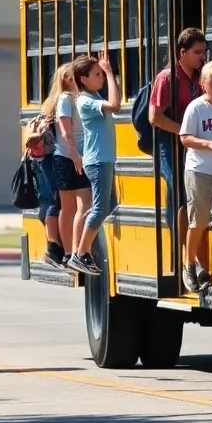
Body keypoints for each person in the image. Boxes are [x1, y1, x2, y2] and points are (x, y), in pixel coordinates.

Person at [149, 28, 207, 248]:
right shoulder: (167, 78)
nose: (202, 57)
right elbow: (155, 116)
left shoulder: (197, 76)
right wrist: (183, 130)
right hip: (170, 144)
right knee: (180, 192)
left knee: (193, 193)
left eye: (203, 52)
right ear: (182, 52)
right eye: (197, 52)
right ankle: (181, 249)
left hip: (191, 145)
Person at [68, 53, 121, 275]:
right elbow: (115, 105)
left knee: (105, 207)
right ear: (83, 79)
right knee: (100, 208)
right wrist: (110, 73)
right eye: (96, 75)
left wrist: (106, 73)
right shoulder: (85, 101)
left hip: (103, 158)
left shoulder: (94, 95)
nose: (101, 78)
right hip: (98, 160)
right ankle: (80, 254)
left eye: (101, 74)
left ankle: (82, 252)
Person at [179, 59, 212, 292]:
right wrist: (208, 143)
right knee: (199, 221)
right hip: (199, 170)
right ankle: (190, 266)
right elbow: (185, 137)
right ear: (203, 83)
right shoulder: (196, 107)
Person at [30, 63, 72, 269]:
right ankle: (53, 247)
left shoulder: (50, 101)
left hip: (43, 159)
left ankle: (53, 246)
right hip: (52, 157)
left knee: (51, 200)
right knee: (57, 199)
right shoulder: (62, 102)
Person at [52, 63, 92, 270]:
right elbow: (66, 131)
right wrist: (76, 156)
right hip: (68, 157)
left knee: (80, 206)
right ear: (68, 79)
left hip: (79, 156)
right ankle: (71, 252)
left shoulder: (80, 98)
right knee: (73, 207)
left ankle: (75, 251)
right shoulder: (66, 99)